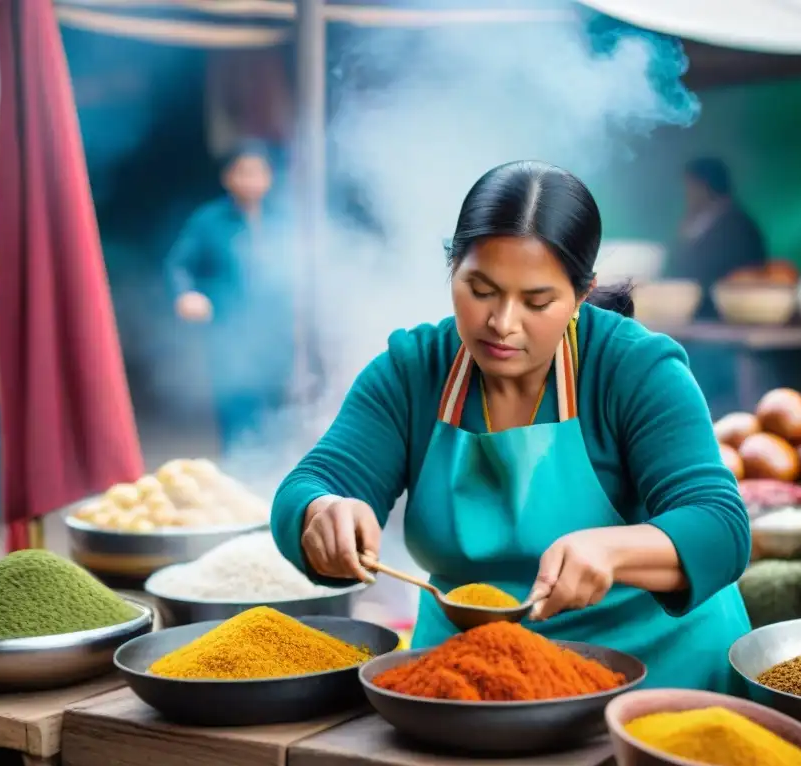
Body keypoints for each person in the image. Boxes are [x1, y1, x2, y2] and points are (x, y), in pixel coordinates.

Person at [272, 161, 752, 692]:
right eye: (480, 289)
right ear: (452, 268)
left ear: (580, 294)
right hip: (473, 680)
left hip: (657, 677)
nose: (502, 323)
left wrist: (613, 551)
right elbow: (306, 487)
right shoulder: (414, 369)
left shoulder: (634, 367)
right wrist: (323, 513)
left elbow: (720, 526)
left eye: (537, 301)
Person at [165, 140, 321, 456]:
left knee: (279, 407)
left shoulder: (282, 220)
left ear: (269, 178)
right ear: (227, 177)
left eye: (258, 172)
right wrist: (187, 294)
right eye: (243, 172)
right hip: (229, 332)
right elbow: (179, 264)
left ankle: (274, 473)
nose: (251, 180)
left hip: (276, 331)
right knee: (237, 405)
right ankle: (240, 470)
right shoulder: (208, 220)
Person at [666, 157, 767, 318]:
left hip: (726, 312)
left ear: (705, 186)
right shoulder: (696, 221)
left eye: (690, 185)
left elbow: (733, 271)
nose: (687, 192)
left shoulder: (736, 225)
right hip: (693, 311)